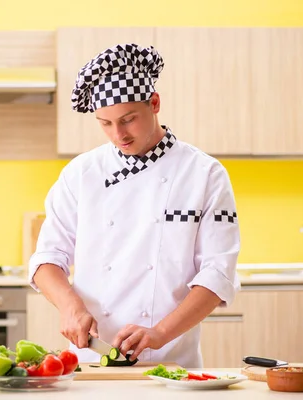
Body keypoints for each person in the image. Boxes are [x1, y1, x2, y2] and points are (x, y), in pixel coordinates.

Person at [28, 43, 241, 368]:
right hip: (89, 364)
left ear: (154, 103)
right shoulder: (81, 173)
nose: (118, 135)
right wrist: (69, 304)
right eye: (105, 123)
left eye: (128, 119)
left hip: (170, 364)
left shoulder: (204, 174)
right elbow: (47, 259)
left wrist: (159, 333)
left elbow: (217, 274)